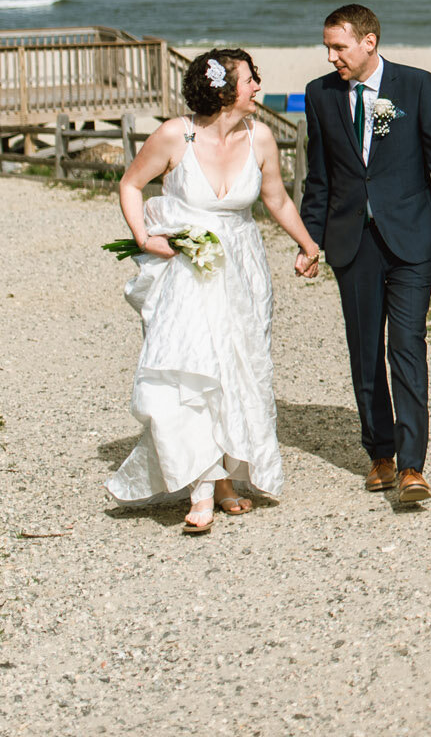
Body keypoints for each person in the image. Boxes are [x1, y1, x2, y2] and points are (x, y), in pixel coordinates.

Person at [109, 48, 322, 532]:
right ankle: (201, 488)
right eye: (250, 80)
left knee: (235, 374)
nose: (257, 87)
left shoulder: (261, 136)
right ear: (224, 90)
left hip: (243, 269)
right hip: (187, 270)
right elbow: (130, 184)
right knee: (192, 372)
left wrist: (309, 244)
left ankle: (224, 477)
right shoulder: (173, 135)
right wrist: (145, 237)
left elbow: (277, 199)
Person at [301, 4, 431, 506]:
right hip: (351, 242)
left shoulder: (417, 86)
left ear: (369, 42)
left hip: (413, 240)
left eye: (340, 47)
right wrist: (311, 241)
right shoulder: (320, 95)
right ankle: (379, 452)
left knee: (407, 344)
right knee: (364, 350)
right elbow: (319, 178)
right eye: (328, 47)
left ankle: (413, 465)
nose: (333, 57)